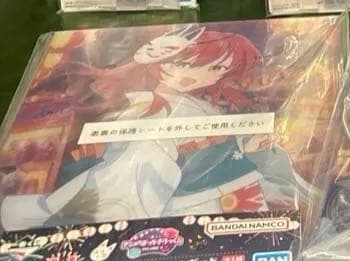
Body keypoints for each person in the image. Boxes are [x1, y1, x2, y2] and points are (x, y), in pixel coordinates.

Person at [0, 31, 299, 229]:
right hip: (178, 197)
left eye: (218, 69)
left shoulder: (207, 105)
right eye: (184, 63)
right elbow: (140, 161)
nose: (197, 74)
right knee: (145, 156)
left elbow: (220, 142)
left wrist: (248, 146)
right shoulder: (153, 105)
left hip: (218, 191)